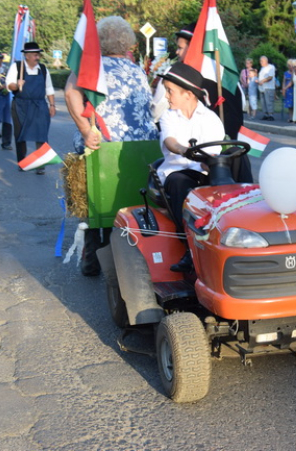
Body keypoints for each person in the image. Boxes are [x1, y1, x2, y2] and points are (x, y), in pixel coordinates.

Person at [65, 16, 159, 276]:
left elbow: (70, 92)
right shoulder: (138, 70)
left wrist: (85, 130)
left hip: (106, 145)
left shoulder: (92, 69)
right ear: (126, 41)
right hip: (143, 148)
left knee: (91, 179)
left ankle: (92, 254)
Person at [156, 63, 225, 272]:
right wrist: (184, 150)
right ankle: (189, 247)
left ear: (188, 94)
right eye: (166, 90)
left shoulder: (211, 120)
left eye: (170, 91)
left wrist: (209, 160)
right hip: (176, 172)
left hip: (203, 172)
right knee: (180, 183)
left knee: (236, 169)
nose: (166, 96)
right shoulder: (169, 116)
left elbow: (212, 156)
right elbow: (170, 141)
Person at [6, 42, 56, 174]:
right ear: (27, 56)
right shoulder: (17, 67)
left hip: (39, 104)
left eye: (38, 54)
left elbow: (49, 88)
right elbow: (9, 85)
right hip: (21, 105)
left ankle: (41, 164)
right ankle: (22, 162)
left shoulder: (43, 69)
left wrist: (52, 105)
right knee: (20, 134)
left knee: (41, 134)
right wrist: (17, 85)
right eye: (35, 55)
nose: (37, 57)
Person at [258, 55, 276, 121]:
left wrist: (262, 81)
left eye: (262, 61)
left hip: (268, 87)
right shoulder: (262, 68)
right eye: (260, 61)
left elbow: (270, 77)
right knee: (263, 102)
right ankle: (265, 114)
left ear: (266, 61)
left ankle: (270, 114)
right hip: (262, 87)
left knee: (269, 101)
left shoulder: (271, 67)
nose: (261, 62)